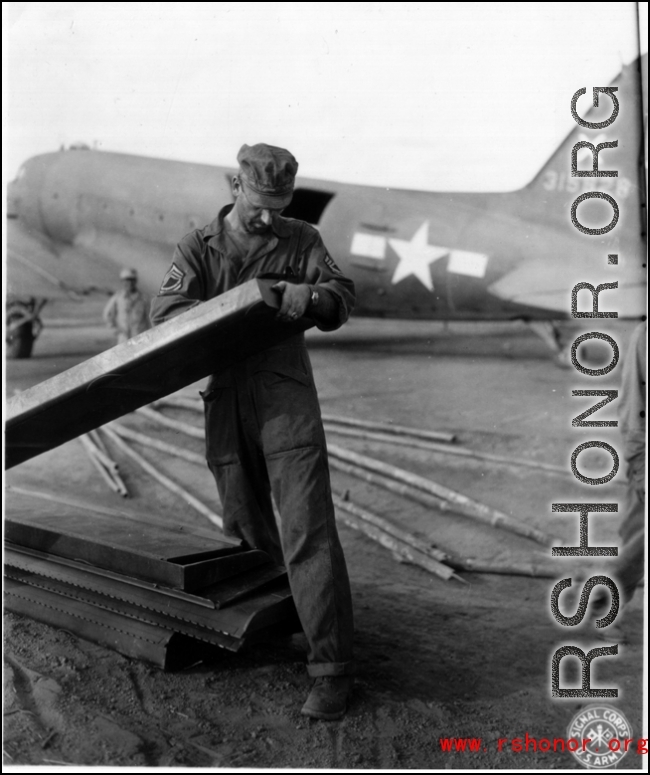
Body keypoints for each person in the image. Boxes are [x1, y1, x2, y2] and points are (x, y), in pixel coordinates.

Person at [150, 143, 356, 720]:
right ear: (233, 185)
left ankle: (332, 669)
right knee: (243, 530)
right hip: (225, 400)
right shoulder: (197, 246)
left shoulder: (303, 241)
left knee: (308, 531)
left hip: (285, 400)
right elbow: (164, 314)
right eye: (259, 204)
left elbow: (342, 297)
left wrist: (308, 296)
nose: (269, 217)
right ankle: (267, 631)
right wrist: (226, 315)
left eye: (279, 205)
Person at [103, 268, 151, 344]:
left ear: (135, 281)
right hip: (123, 339)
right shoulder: (117, 298)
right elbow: (107, 315)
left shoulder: (143, 299)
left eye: (131, 280)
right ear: (122, 282)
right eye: (126, 280)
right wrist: (115, 330)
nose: (129, 283)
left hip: (140, 339)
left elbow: (150, 317)